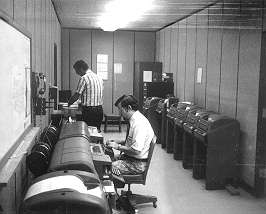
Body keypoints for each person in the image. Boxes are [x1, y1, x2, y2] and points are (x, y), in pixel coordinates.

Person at [106, 95, 155, 174]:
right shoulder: (134, 119)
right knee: (106, 158)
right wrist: (117, 141)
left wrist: (117, 146)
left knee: (105, 167)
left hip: (137, 164)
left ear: (128, 108)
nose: (119, 113)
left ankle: (113, 184)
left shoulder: (139, 123)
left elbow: (136, 150)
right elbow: (132, 141)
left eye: (120, 109)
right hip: (130, 158)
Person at [68, 60, 103, 131]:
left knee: (88, 132)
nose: (77, 73)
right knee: (96, 132)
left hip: (89, 112)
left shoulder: (84, 78)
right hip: (99, 110)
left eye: (76, 71)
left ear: (81, 68)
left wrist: (69, 103)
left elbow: (77, 95)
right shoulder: (99, 78)